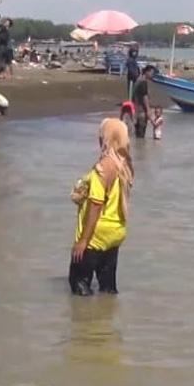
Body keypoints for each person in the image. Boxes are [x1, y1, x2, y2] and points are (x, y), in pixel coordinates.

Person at [69, 119, 134, 296]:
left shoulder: (102, 169)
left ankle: (86, 322)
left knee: (79, 287)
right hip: (116, 234)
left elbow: (96, 204)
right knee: (108, 290)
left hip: (96, 235)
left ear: (105, 139)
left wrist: (83, 241)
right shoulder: (124, 166)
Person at [132, 65, 155, 138]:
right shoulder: (143, 82)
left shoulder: (138, 80)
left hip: (136, 111)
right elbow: (145, 97)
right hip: (141, 111)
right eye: (151, 73)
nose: (152, 75)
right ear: (147, 72)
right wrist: (148, 110)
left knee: (138, 135)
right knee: (141, 136)